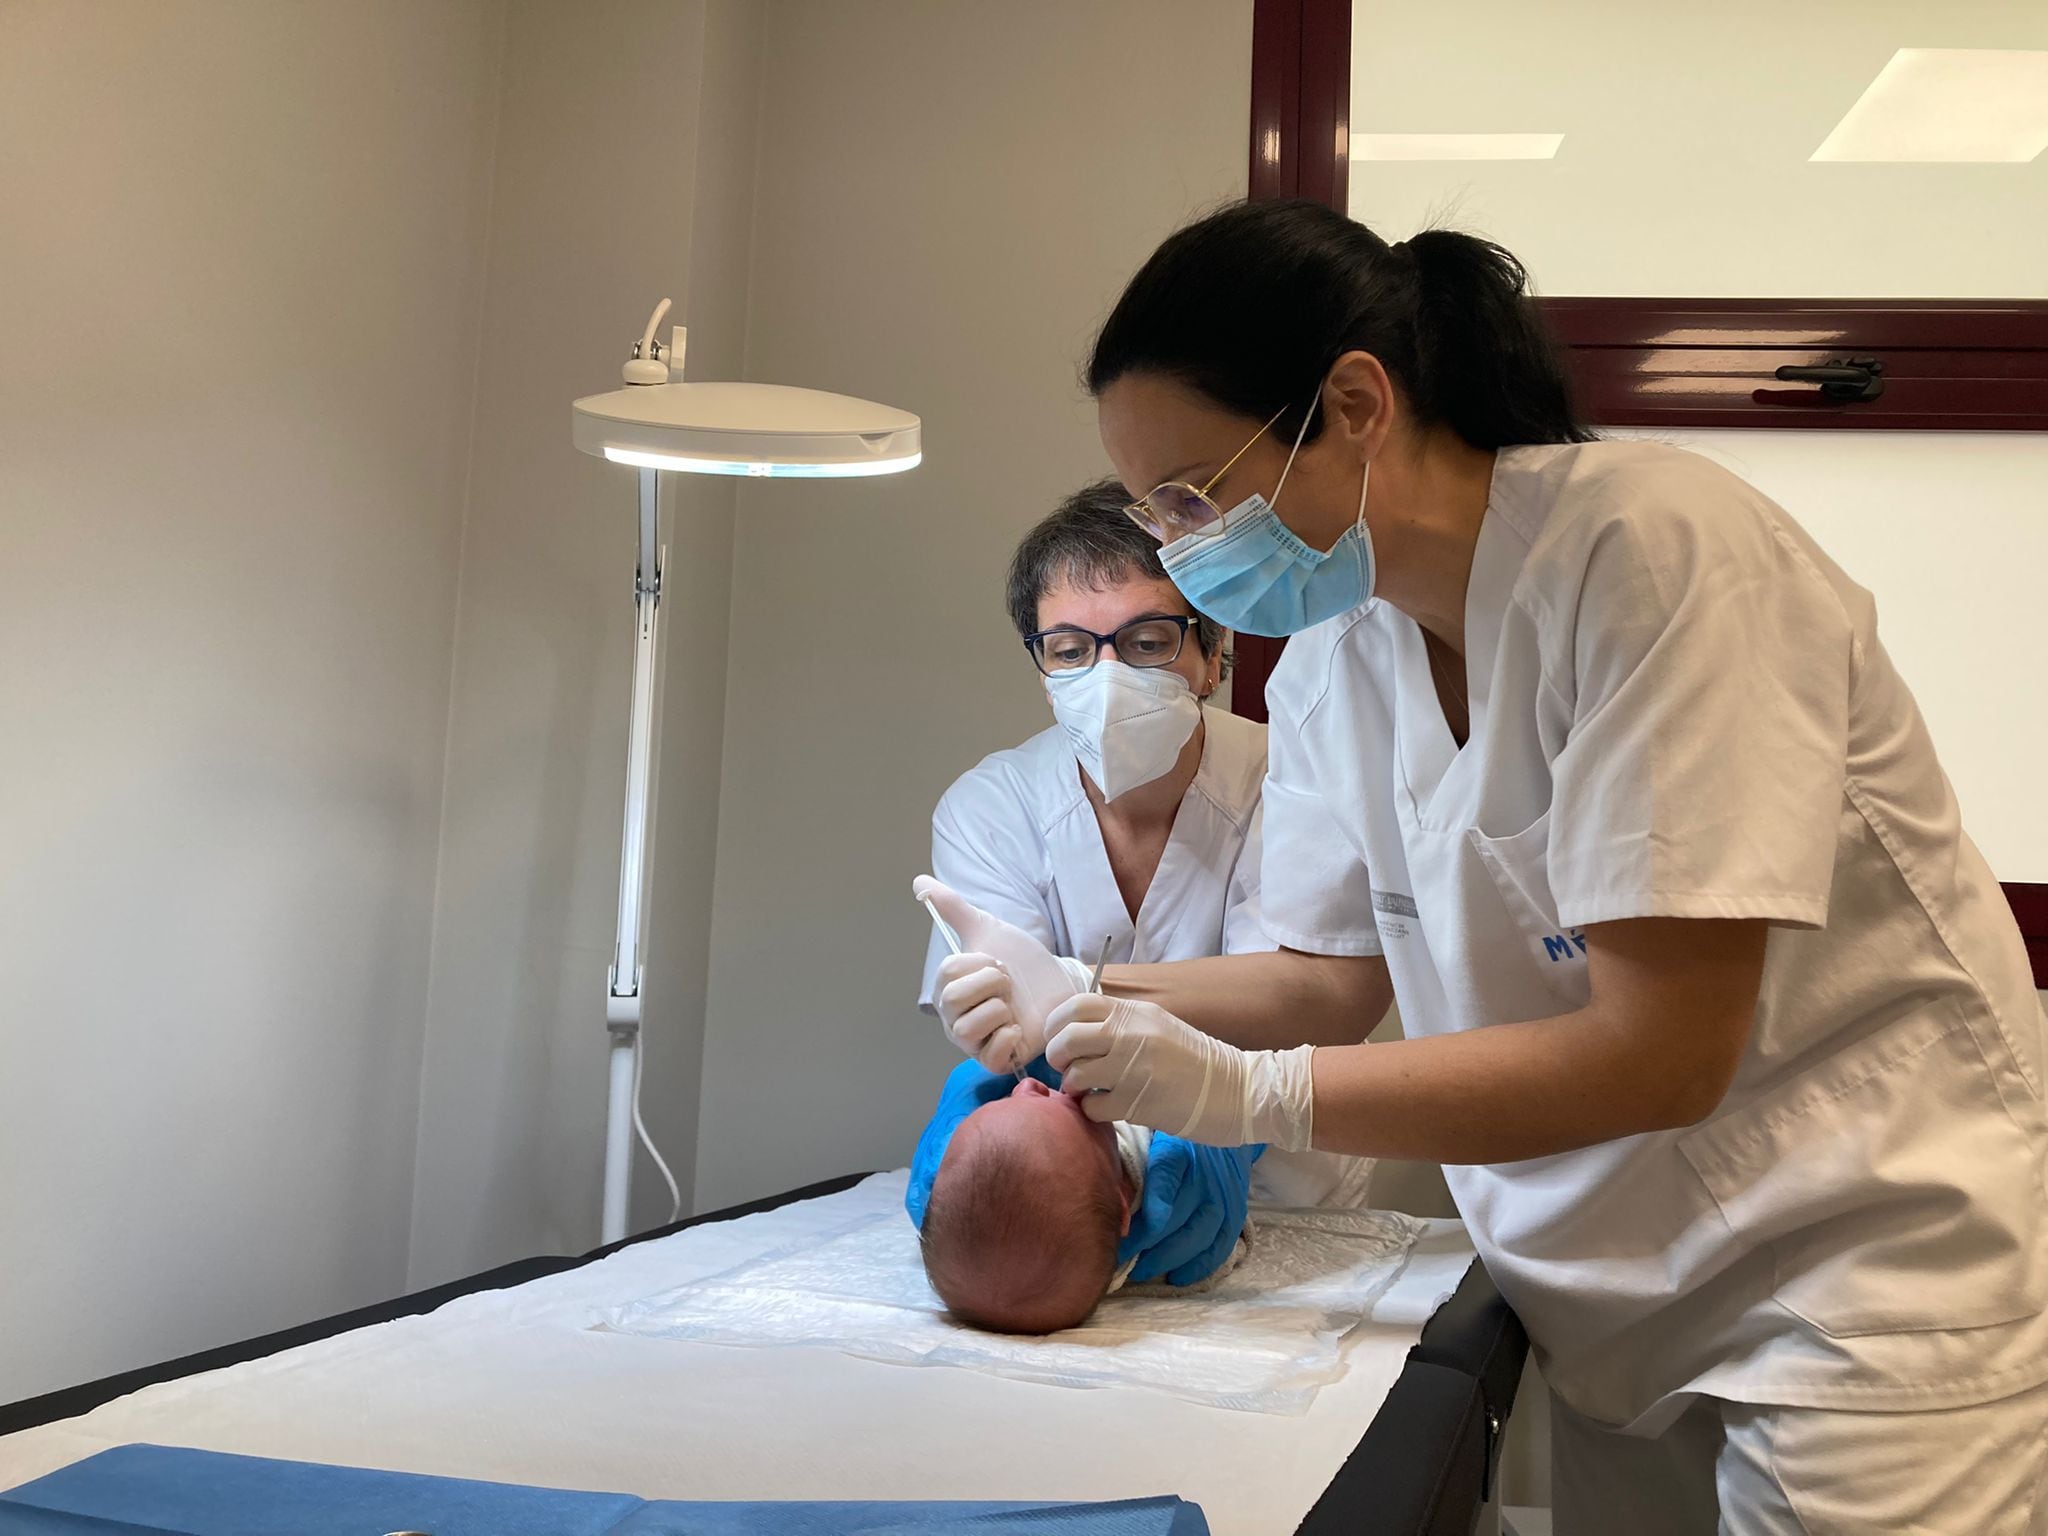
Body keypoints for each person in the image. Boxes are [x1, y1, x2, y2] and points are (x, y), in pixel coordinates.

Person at [923, 201, 2048, 1532]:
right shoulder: (1342, 661)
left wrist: (1244, 1095)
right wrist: (1085, 991)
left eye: (1191, 496)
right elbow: (1322, 980)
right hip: (1606, 1299)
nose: (1179, 548)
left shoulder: (1652, 553)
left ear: (1352, 405)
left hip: (1859, 1275)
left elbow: (1663, 1048)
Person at [910, 481, 1372, 1290]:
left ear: (1214, 652)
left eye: (1150, 640)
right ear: (1043, 668)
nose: (1108, 673)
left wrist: (1072, 990)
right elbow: (1015, 1035)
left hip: (1293, 1193)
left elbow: (1305, 998)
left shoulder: (1295, 782)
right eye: (1070, 648)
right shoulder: (991, 808)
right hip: (1069, 1194)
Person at [915, 1068, 1250, 1334]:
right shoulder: (1152, 1177)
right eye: (1048, 1098)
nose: (1027, 1083)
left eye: (1003, 1099)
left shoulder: (1059, 1194)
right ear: (1123, 1209)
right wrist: (1236, 1119)